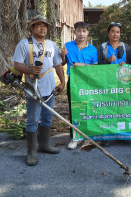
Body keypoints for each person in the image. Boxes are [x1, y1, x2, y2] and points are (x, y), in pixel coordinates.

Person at [12, 15, 65, 166]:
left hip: (50, 88)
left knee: (47, 118)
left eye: (45, 26)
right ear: (32, 28)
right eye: (38, 25)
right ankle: (31, 152)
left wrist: (62, 82)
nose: (42, 28)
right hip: (33, 89)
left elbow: (58, 64)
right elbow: (16, 64)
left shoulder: (51, 45)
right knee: (33, 121)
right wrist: (29, 69)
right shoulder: (24, 44)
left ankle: (44, 145)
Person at [61, 21, 98, 149]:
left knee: (89, 107)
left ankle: (89, 135)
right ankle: (75, 137)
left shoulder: (92, 49)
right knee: (74, 108)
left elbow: (95, 67)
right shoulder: (67, 46)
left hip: (88, 82)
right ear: (74, 32)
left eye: (84, 31)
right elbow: (62, 63)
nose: (81, 33)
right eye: (79, 31)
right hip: (74, 81)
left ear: (87, 32)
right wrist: (62, 55)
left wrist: (84, 65)